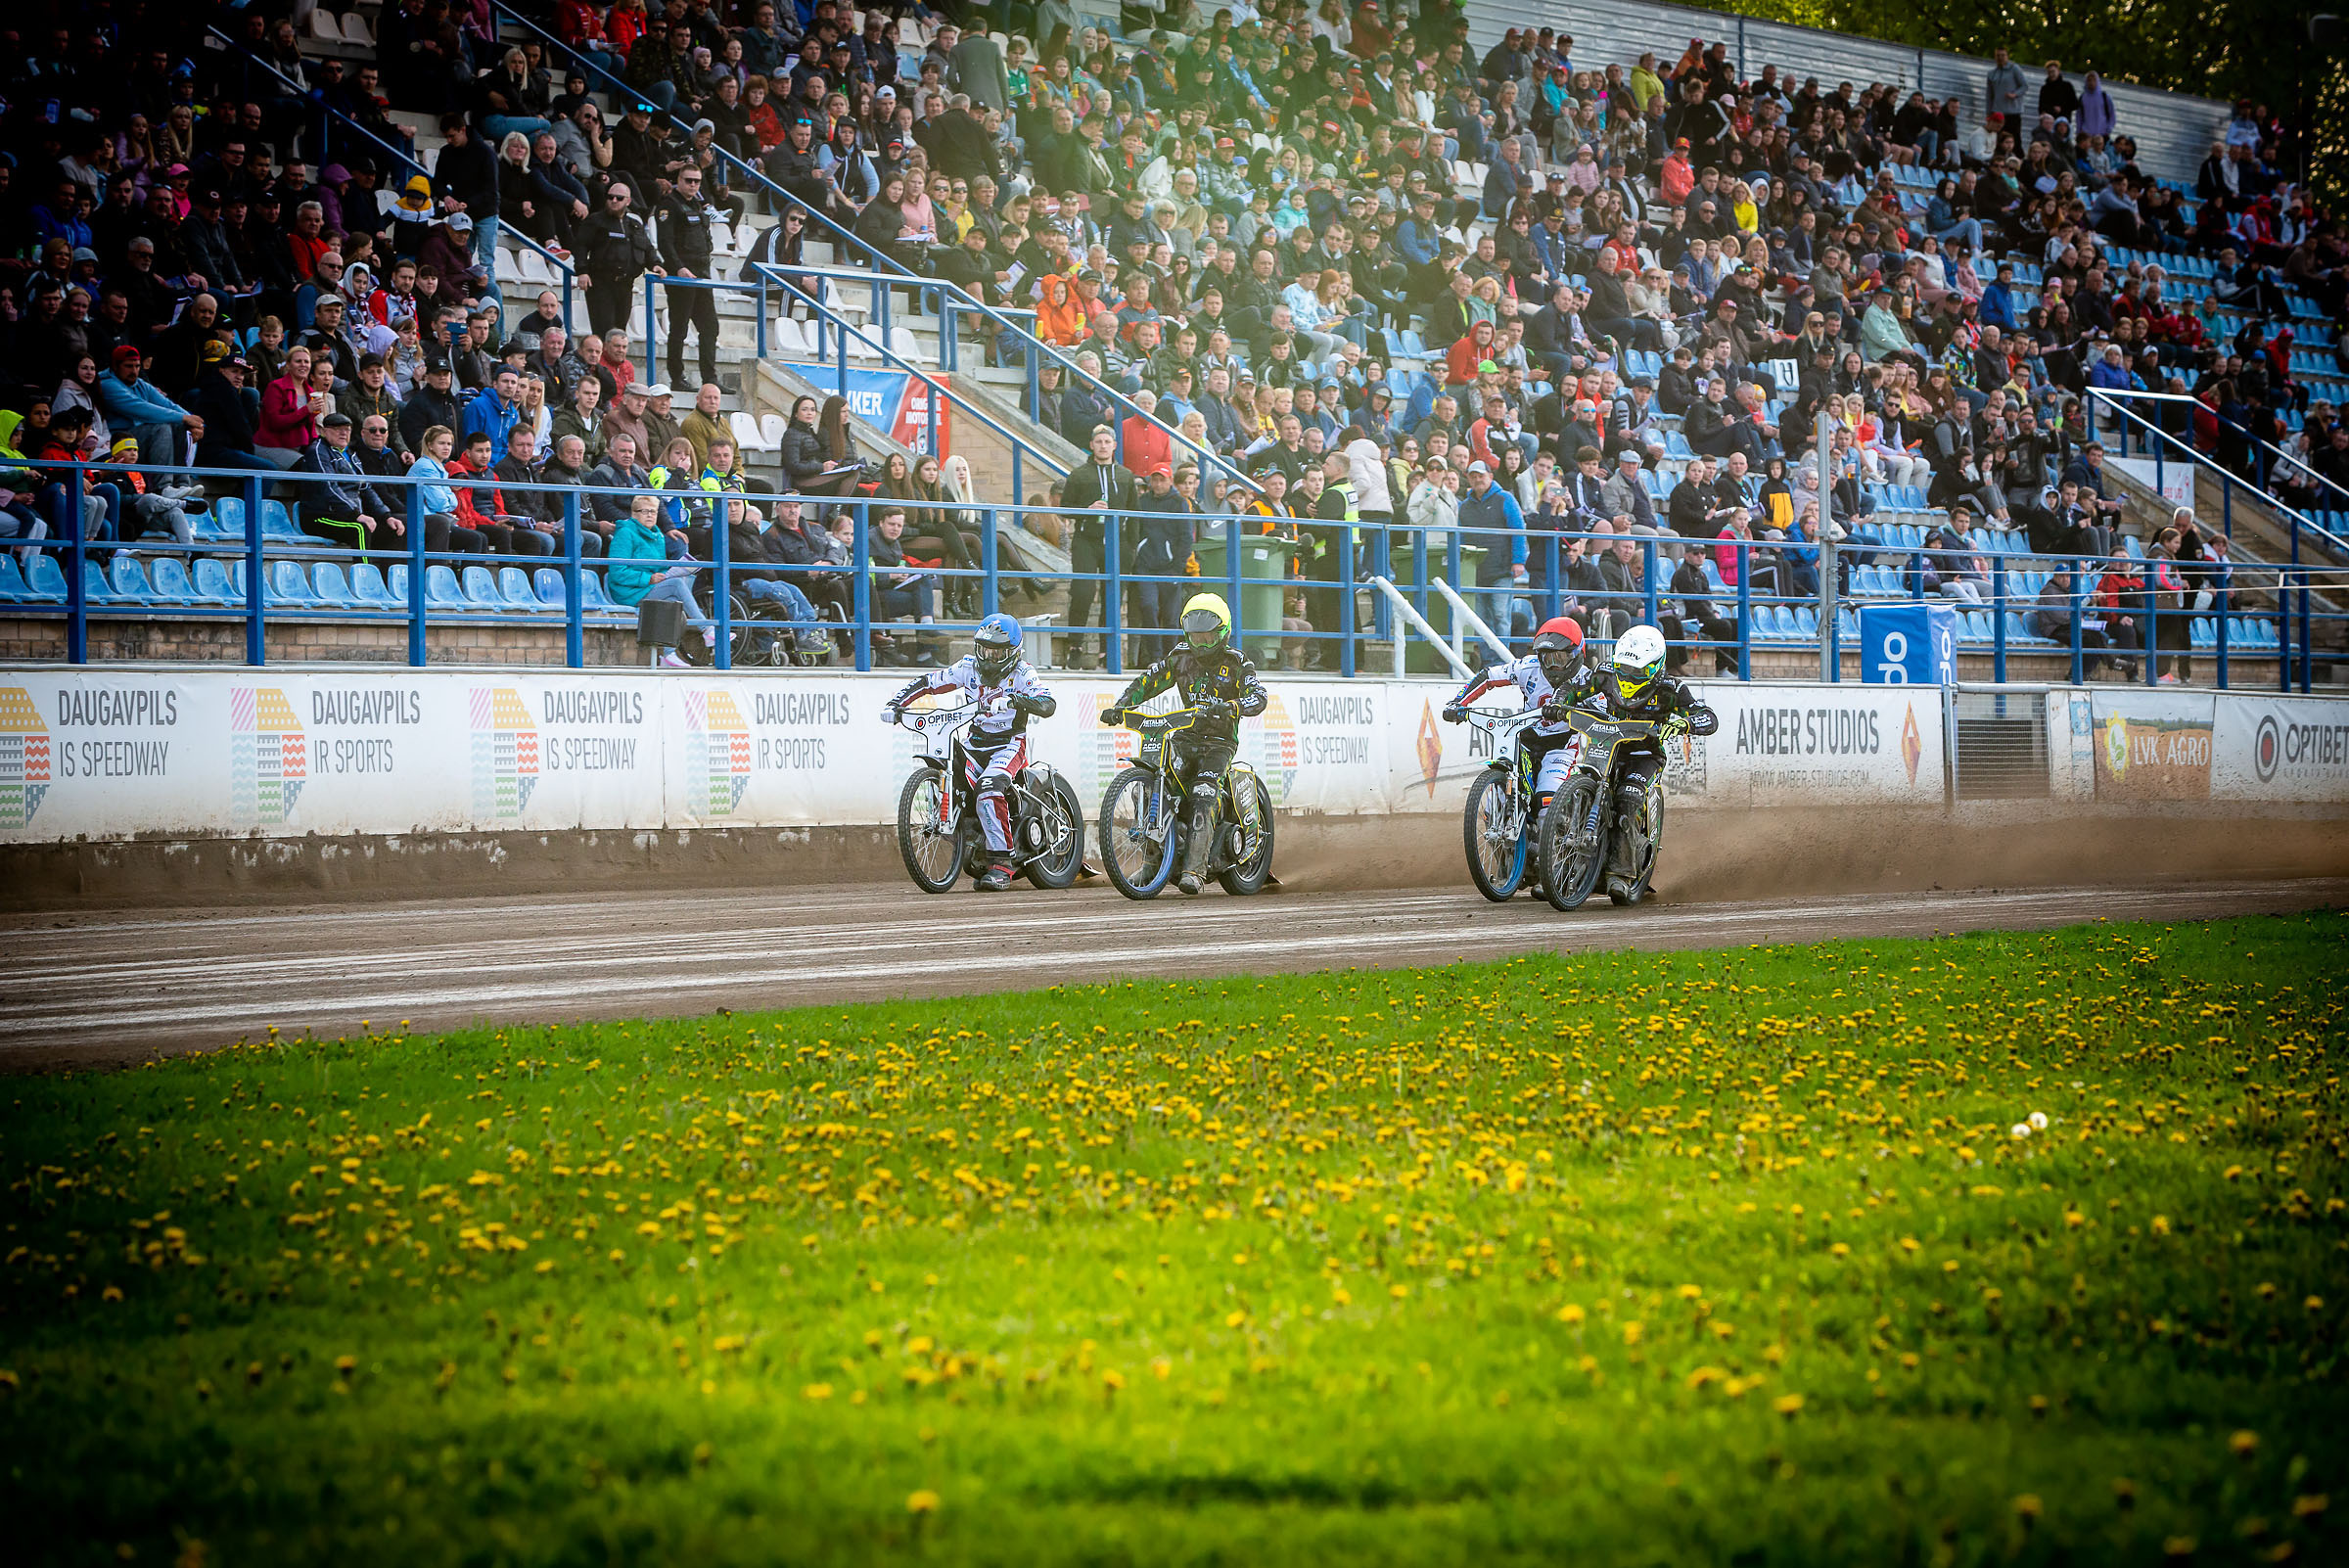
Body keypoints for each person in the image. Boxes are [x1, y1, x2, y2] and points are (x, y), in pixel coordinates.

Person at [1099, 592, 1270, 895]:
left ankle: (1194, 869)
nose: (1201, 643)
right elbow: (1147, 681)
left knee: (1203, 791)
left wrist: (1233, 706)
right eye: (1195, 636)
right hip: (1183, 737)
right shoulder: (1179, 658)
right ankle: (1153, 863)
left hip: (1219, 743)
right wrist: (1121, 705)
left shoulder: (1237, 662)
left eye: (1207, 637)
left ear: (1223, 632)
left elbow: (1259, 696)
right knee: (1149, 786)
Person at [882, 613, 1057, 891]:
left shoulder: (1023, 673)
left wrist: (1013, 699)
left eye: (997, 652)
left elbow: (1048, 704)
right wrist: (895, 704)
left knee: (988, 790)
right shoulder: (968, 667)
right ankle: (977, 840)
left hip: (1009, 744)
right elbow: (929, 681)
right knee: (959, 779)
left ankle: (1002, 864)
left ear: (1013, 652)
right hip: (975, 743)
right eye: (984, 650)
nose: (988, 658)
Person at [1589, 625, 1719, 901]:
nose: (1628, 676)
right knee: (1576, 788)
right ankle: (1560, 868)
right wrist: (1557, 703)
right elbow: (1571, 689)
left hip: (1644, 756)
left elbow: (1708, 717)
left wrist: (1686, 722)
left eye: (1638, 671)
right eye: (1623, 669)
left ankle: (1621, 874)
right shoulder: (1603, 674)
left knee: (1627, 797)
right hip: (1604, 748)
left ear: (1656, 667)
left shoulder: (1671, 689)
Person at [1442, 618, 1599, 813]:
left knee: (1545, 808)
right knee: (1495, 804)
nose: (1552, 666)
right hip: (1524, 739)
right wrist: (1458, 702)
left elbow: (1604, 715)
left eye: (1559, 659)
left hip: (1560, 748)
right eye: (1546, 658)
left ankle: (1557, 835)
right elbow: (1488, 676)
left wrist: (1581, 714)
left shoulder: (1587, 680)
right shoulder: (1527, 667)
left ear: (1576, 654)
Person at [1058, 424, 1135, 668]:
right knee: (1083, 591)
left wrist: (1132, 545)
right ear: (1092, 445)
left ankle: (1106, 650)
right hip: (1086, 540)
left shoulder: (1125, 475)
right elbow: (1064, 508)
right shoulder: (1079, 474)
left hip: (1117, 542)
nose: (1103, 446)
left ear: (1114, 445)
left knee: (1111, 596)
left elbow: (1135, 512)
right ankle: (1075, 645)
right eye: (1099, 441)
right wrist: (1086, 511)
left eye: (1107, 442)